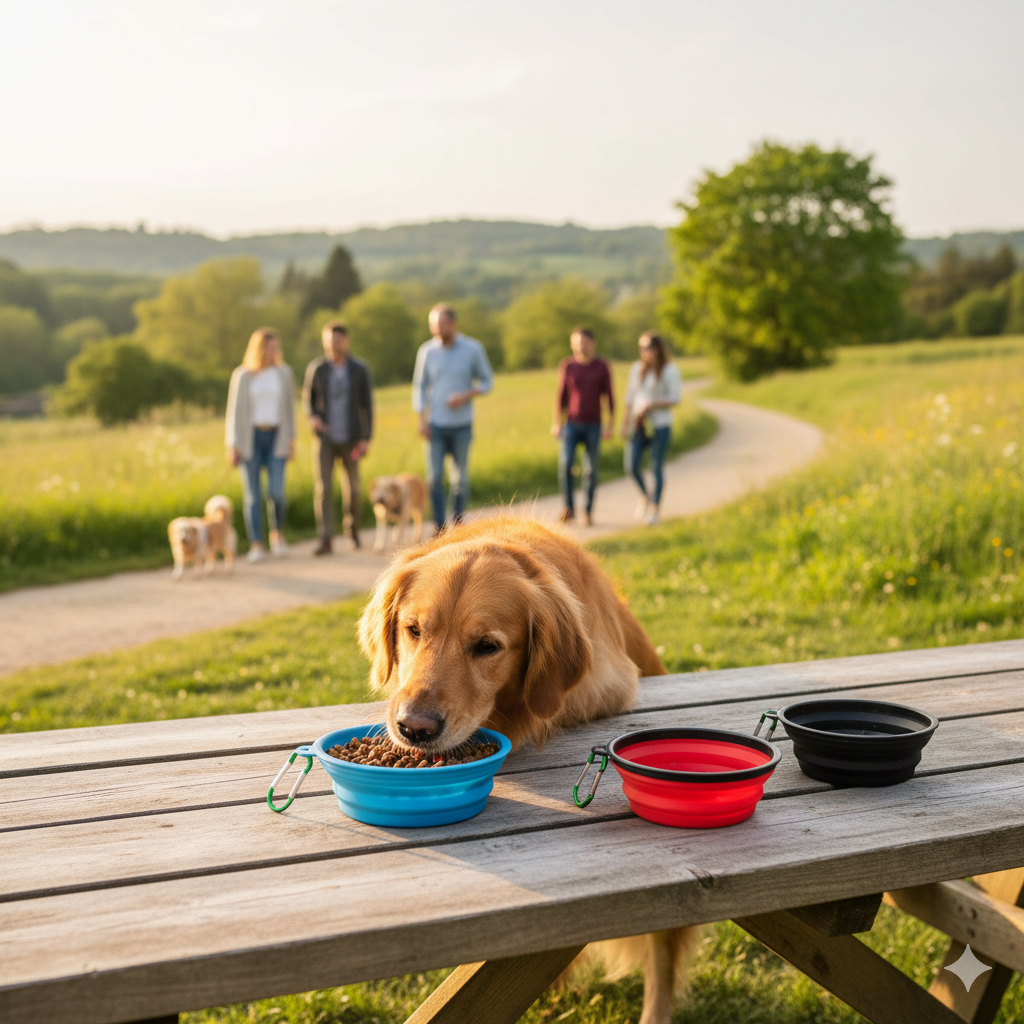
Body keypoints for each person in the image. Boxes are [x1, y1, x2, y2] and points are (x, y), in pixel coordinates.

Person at [412, 303, 494, 531]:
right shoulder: (426, 351)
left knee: (460, 480)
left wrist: (466, 395)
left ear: (453, 324)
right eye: (432, 326)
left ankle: (458, 525)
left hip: (461, 426)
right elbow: (419, 386)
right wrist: (421, 419)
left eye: (440, 325)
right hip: (435, 425)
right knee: (434, 478)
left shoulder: (472, 349)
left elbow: (488, 382)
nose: (436, 330)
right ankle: (439, 526)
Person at [303, 320, 374, 555]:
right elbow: (308, 401)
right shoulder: (317, 369)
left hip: (352, 438)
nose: (334, 345)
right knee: (323, 489)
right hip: (325, 439)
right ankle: (325, 539)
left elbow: (368, 406)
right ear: (325, 342)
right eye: (329, 341)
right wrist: (313, 417)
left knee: (353, 489)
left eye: (338, 341)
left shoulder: (359, 369)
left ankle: (352, 531)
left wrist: (366, 438)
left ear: (346, 341)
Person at [225, 328, 296, 561]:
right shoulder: (243, 375)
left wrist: (292, 440)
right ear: (259, 348)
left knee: (277, 492)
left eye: (277, 347)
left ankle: (277, 535)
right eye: (269, 347)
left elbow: (290, 409)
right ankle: (256, 543)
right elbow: (234, 412)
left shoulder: (284, 373)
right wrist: (233, 445)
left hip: (277, 437)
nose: (274, 352)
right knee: (253, 495)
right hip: (250, 439)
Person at [551, 326, 614, 527]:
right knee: (566, 465)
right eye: (577, 342)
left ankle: (587, 511)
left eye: (584, 342)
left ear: (592, 343)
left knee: (590, 470)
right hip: (571, 424)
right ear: (572, 344)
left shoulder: (602, 366)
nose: (581, 346)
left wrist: (609, 424)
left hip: (594, 425)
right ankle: (568, 509)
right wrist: (557, 423)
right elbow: (561, 396)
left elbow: (609, 396)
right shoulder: (567, 366)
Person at [621, 332, 682, 526]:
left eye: (649, 347)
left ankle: (655, 508)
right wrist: (625, 423)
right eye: (642, 348)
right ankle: (645, 496)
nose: (645, 352)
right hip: (638, 424)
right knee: (631, 465)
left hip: (660, 425)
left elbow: (675, 398)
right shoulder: (637, 369)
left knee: (656, 466)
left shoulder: (670, 370)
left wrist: (653, 404)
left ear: (658, 349)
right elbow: (630, 397)